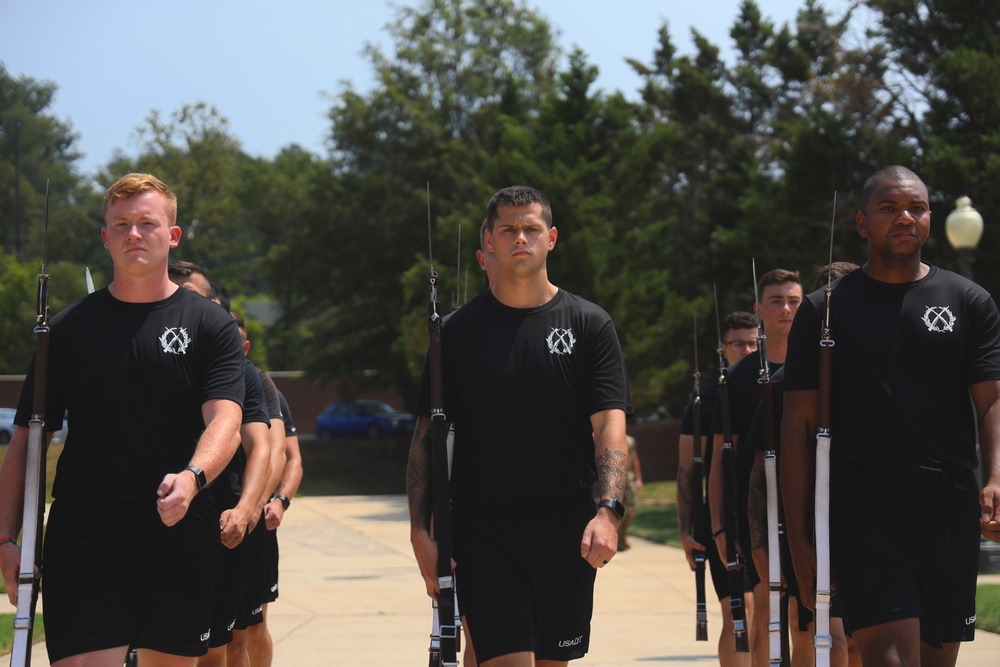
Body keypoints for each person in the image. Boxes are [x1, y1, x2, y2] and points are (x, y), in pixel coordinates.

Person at [0, 173, 245, 667]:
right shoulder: (67, 330)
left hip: (177, 528)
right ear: (105, 236)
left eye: (147, 223)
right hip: (85, 534)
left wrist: (194, 477)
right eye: (122, 224)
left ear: (172, 235)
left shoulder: (208, 323)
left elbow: (225, 419)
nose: (134, 234)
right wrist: (5, 539)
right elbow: (27, 438)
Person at [781, 166, 1000, 667]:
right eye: (889, 208)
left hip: (947, 504)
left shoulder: (968, 301)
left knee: (935, 659)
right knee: (891, 659)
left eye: (917, 208)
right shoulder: (824, 311)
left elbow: (991, 399)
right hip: (863, 506)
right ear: (861, 223)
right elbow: (796, 427)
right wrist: (802, 545)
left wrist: (995, 476)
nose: (905, 217)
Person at [407, 185, 633, 667]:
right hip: (481, 526)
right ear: (488, 242)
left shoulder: (590, 324)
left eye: (531, 228)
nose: (520, 238)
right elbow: (427, 437)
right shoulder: (454, 332)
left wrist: (609, 510)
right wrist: (419, 532)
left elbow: (610, 422)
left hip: (566, 523)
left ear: (551, 238)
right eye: (507, 229)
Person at [745, 263, 859, 667]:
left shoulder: (881, 380)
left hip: (875, 531)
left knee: (866, 642)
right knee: (820, 639)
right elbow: (761, 477)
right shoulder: (781, 388)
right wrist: (763, 555)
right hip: (810, 538)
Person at [168, 265, 274, 667]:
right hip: (148, 519)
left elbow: (263, 447)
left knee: (217, 649)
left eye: (191, 296)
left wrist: (248, 508)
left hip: (217, 517)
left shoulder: (241, 372)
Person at [709, 268, 803, 667]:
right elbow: (718, 462)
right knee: (765, 613)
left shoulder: (818, 366)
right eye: (777, 301)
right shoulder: (736, 379)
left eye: (795, 301)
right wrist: (718, 527)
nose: (786, 309)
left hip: (808, 509)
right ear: (759, 309)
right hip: (757, 515)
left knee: (808, 621)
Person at [677, 310, 758, 667]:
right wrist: (685, 529)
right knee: (739, 612)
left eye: (754, 343)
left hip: (766, 512)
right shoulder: (705, 403)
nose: (746, 349)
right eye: (738, 343)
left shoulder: (776, 387)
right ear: (723, 349)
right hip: (723, 518)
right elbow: (687, 472)